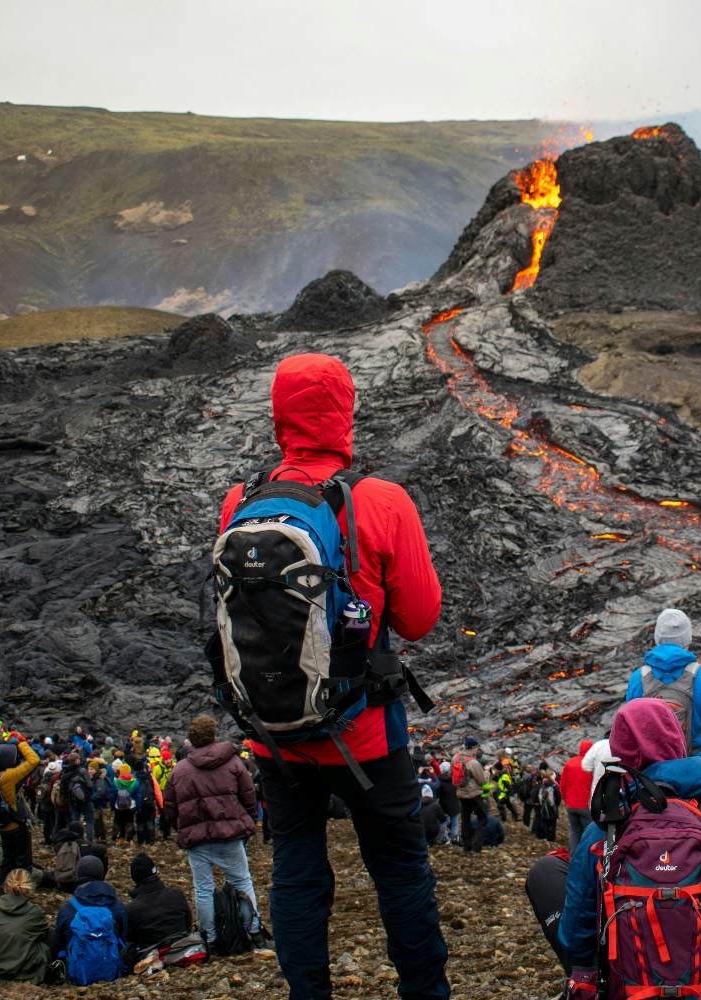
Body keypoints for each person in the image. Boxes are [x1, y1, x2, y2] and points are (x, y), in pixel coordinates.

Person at [219, 353, 447, 999]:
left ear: (279, 415)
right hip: (367, 734)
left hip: (275, 733)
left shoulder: (241, 502)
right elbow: (421, 618)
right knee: (400, 872)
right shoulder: (379, 501)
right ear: (344, 413)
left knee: (296, 869)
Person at [532, 699, 701, 994]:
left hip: (629, 988)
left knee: (545, 872)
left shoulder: (604, 830)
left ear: (620, 755)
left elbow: (574, 936)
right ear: (678, 743)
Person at [163, 713, 268, 950]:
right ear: (213, 735)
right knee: (242, 881)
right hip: (230, 833)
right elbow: (249, 794)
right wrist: (248, 821)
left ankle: (209, 937)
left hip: (197, 839)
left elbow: (169, 805)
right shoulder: (233, 763)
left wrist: (177, 826)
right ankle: (253, 931)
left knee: (203, 888)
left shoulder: (180, 770)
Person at [626, 608, 701, 802]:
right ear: (688, 639)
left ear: (657, 638)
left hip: (653, 782)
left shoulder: (638, 679)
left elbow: (628, 736)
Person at [52, 855, 127, 984]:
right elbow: (124, 938)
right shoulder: (117, 906)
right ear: (102, 875)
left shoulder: (68, 907)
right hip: (111, 972)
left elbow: (60, 944)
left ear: (78, 875)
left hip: (77, 973)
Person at [0, 868, 51, 982]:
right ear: (30, 887)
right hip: (24, 970)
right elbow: (44, 934)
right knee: (49, 936)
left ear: (5, 886)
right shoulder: (34, 911)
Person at [125, 851, 193, 965]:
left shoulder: (132, 908)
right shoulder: (177, 894)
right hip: (182, 949)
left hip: (153, 957)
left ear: (134, 878)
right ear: (155, 871)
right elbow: (188, 925)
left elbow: (131, 938)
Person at [0, 738, 40, 882]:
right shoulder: (8, 777)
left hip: (2, 825)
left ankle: (4, 889)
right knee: (23, 862)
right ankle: (21, 889)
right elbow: (34, 760)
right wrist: (21, 743)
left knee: (8, 859)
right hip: (17, 825)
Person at [558, 739, 594, 851]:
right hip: (586, 806)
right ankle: (584, 860)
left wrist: (565, 800)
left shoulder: (570, 763)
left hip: (571, 805)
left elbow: (562, 784)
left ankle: (573, 857)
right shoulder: (592, 765)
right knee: (587, 834)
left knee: (574, 832)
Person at [456, 741, 491, 854]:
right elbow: (481, 780)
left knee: (465, 820)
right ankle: (477, 846)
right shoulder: (473, 762)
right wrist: (486, 773)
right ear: (473, 748)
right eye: (477, 748)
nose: (477, 750)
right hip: (474, 794)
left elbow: (451, 774)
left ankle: (466, 846)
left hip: (461, 793)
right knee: (483, 819)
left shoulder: (455, 758)